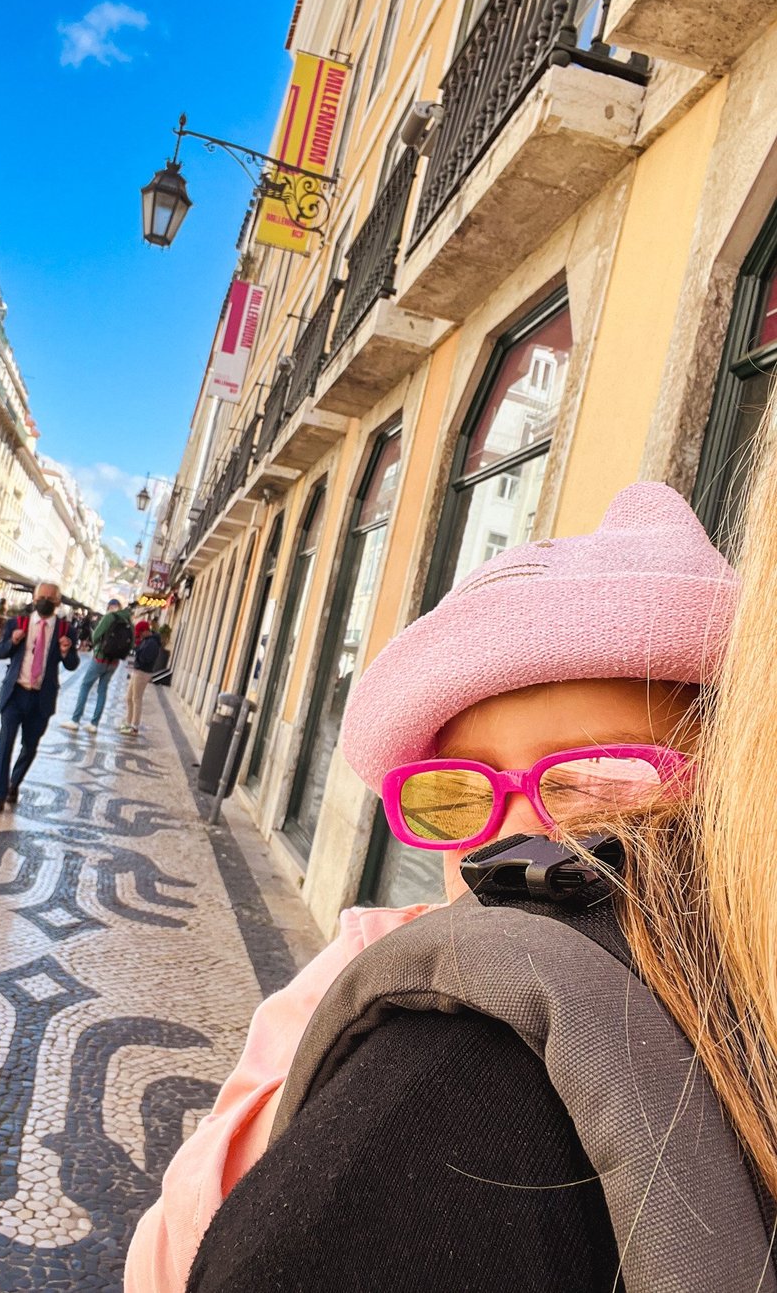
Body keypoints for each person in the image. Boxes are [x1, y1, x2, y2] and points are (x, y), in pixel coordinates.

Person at [125, 481, 777, 1292]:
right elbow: (166, 1251)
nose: (513, 834)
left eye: (595, 783)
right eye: (460, 794)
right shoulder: (368, 960)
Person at [0, 580, 79, 814]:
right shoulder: (18, 623)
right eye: (40, 598)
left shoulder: (66, 630)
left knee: (30, 746)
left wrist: (66, 652)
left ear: (58, 602)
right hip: (15, 693)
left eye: (49, 598)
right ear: (34, 599)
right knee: (5, 743)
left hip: (41, 698)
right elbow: (0, 652)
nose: (44, 602)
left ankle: (14, 784)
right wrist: (13, 641)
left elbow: (72, 664)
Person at [61, 598, 132, 735]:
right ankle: (94, 724)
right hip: (114, 662)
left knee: (85, 686)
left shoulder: (109, 617)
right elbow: (131, 643)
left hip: (100, 658)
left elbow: (96, 636)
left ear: (110, 607)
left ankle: (75, 720)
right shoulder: (128, 621)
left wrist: (98, 641)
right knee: (102, 690)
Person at [121, 618, 161, 737]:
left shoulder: (152, 643)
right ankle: (128, 722)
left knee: (136, 699)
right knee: (129, 698)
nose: (139, 635)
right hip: (137, 670)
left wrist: (138, 654)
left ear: (145, 631)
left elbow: (146, 658)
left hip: (143, 672)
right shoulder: (146, 640)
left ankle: (135, 727)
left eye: (140, 633)